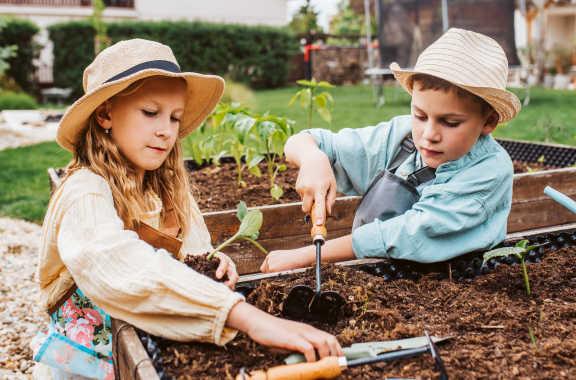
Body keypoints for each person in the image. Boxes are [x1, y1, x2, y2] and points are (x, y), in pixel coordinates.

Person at [30, 39, 342, 380]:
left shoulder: (166, 187)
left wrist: (211, 264)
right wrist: (250, 319)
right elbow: (114, 263)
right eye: (150, 113)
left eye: (175, 117)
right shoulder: (84, 191)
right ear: (105, 113)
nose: (166, 130)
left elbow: (193, 252)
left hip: (151, 344)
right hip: (88, 363)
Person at [261, 28, 521, 274]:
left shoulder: (488, 172)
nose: (429, 134)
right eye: (419, 115)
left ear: (488, 121)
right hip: (379, 279)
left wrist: (309, 255)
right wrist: (313, 158)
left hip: (458, 290)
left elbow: (412, 233)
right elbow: (305, 141)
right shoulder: (400, 137)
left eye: (450, 122)